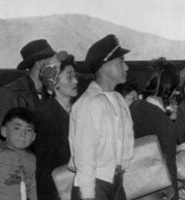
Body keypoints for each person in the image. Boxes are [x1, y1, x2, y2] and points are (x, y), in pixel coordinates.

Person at [69, 34, 134, 200]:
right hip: (94, 185)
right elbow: (84, 157)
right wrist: (88, 196)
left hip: (114, 182)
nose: (126, 67)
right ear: (104, 67)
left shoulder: (118, 99)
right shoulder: (90, 104)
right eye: (121, 61)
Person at [0, 39, 59, 147]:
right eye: (53, 63)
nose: (57, 68)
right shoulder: (8, 93)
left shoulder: (53, 93)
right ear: (40, 63)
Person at [130, 57, 181, 200]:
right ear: (171, 90)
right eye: (176, 89)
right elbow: (170, 171)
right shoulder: (165, 124)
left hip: (129, 189)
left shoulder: (133, 107)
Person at [33, 51, 78, 199]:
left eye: (75, 75)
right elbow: (44, 170)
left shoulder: (79, 112)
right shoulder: (44, 118)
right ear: (53, 83)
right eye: (69, 76)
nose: (76, 81)